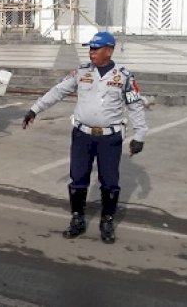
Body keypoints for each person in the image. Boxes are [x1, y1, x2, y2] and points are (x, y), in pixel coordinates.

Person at [21, 31, 147, 244]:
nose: (91, 52)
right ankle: (77, 218)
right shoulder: (81, 72)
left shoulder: (123, 76)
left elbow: (135, 106)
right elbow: (57, 91)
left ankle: (107, 221)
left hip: (110, 139)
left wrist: (140, 134)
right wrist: (34, 109)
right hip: (82, 136)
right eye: (90, 48)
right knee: (78, 179)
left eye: (96, 49)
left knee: (109, 182)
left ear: (109, 51)